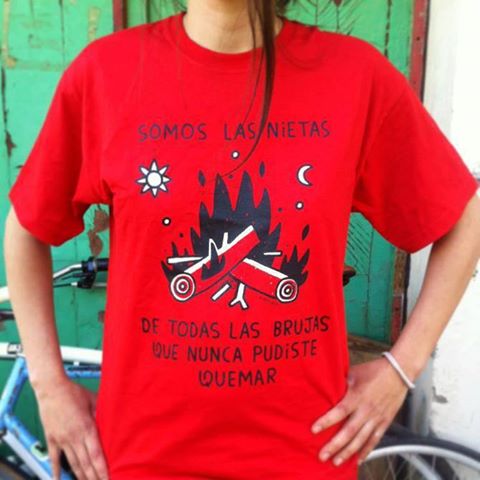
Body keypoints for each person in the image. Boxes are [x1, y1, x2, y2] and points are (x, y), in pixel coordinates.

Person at [3, 1, 480, 479]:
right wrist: (48, 386)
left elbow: (464, 220)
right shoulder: (106, 74)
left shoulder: (357, 78)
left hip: (306, 456)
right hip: (142, 458)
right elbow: (27, 230)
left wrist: (402, 368)